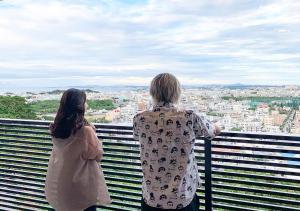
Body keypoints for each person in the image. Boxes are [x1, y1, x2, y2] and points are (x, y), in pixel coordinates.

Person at [133, 73, 221, 211]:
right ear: (177, 92)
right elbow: (211, 132)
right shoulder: (189, 117)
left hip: (151, 197)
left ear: (152, 92)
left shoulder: (139, 118)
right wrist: (217, 125)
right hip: (182, 196)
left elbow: (137, 136)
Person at [45, 88, 111, 211]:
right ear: (80, 106)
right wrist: (93, 132)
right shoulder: (85, 131)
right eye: (85, 102)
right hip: (79, 190)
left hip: (57, 185)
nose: (87, 104)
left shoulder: (56, 127)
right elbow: (97, 155)